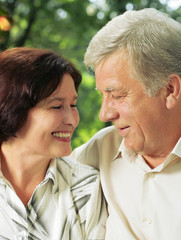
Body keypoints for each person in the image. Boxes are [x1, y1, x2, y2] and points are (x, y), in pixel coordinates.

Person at [71, 8, 181, 240]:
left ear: (170, 90)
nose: (104, 114)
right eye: (102, 95)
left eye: (116, 95)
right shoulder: (99, 151)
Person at [0, 47, 107, 240]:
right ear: (11, 108)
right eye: (57, 106)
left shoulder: (86, 187)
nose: (72, 120)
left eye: (73, 105)